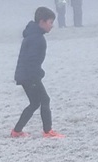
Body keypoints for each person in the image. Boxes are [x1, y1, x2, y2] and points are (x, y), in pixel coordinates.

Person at [11, 7, 64, 138]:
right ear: (42, 22)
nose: (52, 26)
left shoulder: (33, 35)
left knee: (35, 103)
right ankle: (48, 131)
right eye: (50, 22)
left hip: (26, 75)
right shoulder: (37, 38)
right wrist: (38, 74)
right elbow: (31, 60)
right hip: (30, 76)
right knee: (44, 100)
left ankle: (17, 131)